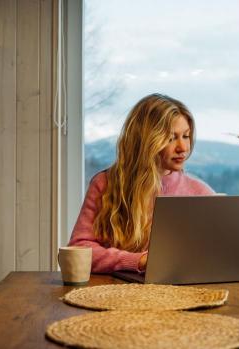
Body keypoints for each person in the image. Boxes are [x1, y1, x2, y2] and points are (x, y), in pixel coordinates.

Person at [68, 93, 215, 273]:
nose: (183, 148)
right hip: (112, 293)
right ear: (145, 141)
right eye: (170, 138)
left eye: (186, 136)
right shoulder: (105, 184)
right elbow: (80, 249)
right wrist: (138, 260)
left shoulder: (201, 193)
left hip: (180, 294)